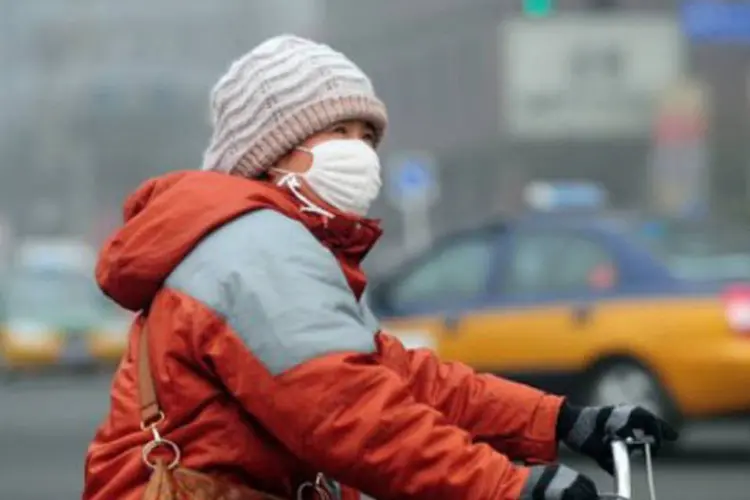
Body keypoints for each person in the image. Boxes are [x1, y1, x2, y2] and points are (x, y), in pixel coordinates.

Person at [83, 35, 677, 500]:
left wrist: (560, 421)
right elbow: (348, 411)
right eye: (335, 131)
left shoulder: (283, 243)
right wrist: (509, 485)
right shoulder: (253, 250)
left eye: (367, 134)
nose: (359, 151)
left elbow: (395, 375)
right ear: (266, 151)